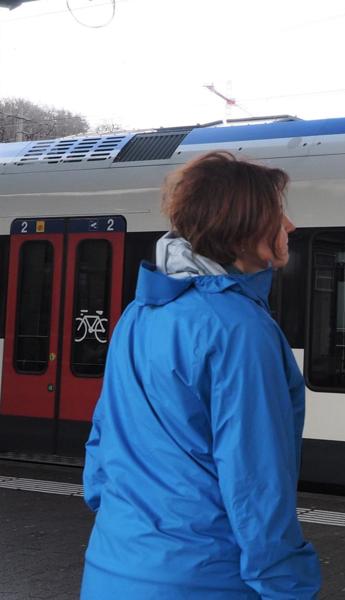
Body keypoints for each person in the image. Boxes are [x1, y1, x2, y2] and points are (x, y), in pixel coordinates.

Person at [81, 150, 322, 599]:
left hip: (113, 567)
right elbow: (255, 481)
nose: (289, 226)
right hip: (206, 580)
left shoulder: (139, 313)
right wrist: (288, 587)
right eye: (278, 214)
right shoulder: (239, 329)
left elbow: (102, 442)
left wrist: (130, 524)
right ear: (242, 230)